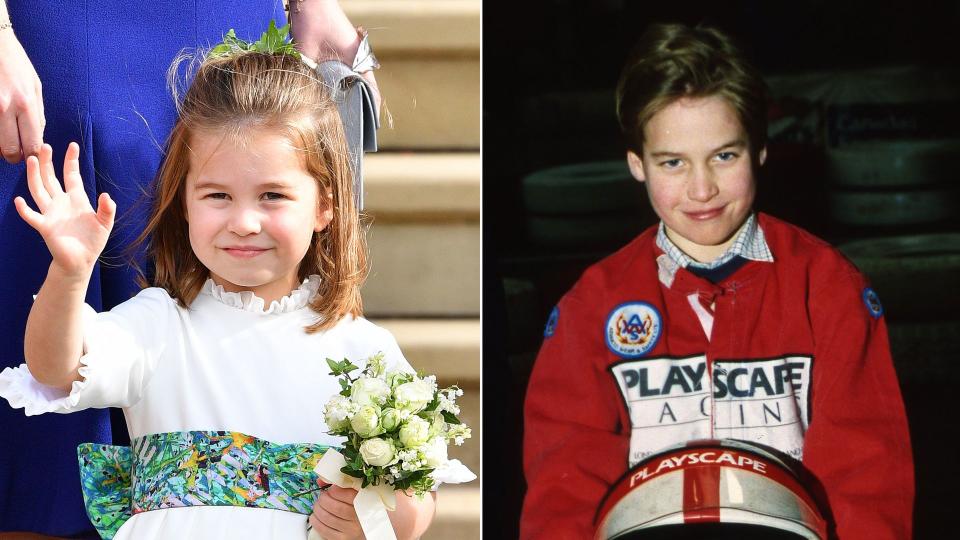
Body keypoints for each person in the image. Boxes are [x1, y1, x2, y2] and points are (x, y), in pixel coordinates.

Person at [0, 39, 436, 538]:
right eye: (218, 196)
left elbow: (417, 497)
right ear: (184, 202)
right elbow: (53, 367)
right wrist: (70, 273)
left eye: (272, 195)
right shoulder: (158, 323)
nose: (244, 222)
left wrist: (377, 523)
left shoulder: (366, 352)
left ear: (324, 207)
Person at [521, 23, 913, 539]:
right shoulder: (592, 306)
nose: (702, 189)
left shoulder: (828, 288)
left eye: (724, 156)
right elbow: (561, 493)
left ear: (761, 151)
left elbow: (869, 478)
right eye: (673, 163)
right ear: (637, 164)